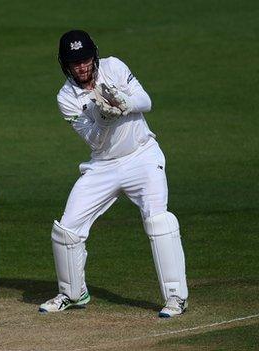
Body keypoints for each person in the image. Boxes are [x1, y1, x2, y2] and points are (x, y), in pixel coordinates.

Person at [38, 30, 188, 318]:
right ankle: (73, 293)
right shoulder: (66, 97)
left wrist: (125, 103)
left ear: (94, 56)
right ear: (65, 65)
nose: (81, 67)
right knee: (66, 231)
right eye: (74, 63)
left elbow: (146, 101)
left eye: (85, 60)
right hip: (103, 166)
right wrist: (105, 118)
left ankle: (175, 298)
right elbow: (94, 141)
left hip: (142, 156)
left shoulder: (114, 67)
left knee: (159, 222)